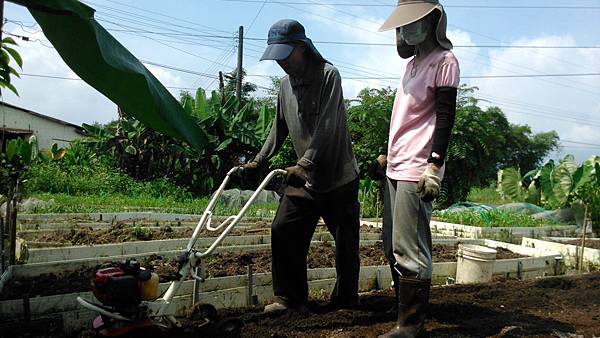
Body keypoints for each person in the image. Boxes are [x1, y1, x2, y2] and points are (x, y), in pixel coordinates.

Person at [241, 19, 361, 313]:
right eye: (277, 56)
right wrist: (259, 160)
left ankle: (345, 300)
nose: (281, 62)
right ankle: (289, 298)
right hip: (305, 181)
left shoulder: (328, 75)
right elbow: (278, 127)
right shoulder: (284, 85)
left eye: (285, 54)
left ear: (302, 48)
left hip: (338, 178)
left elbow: (328, 124)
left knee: (346, 243)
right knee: (283, 229)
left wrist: (305, 163)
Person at [374, 1, 460, 337]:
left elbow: (444, 118)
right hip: (396, 163)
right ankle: (404, 310)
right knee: (391, 244)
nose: (405, 30)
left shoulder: (445, 62)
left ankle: (411, 326)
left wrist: (434, 166)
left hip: (417, 167)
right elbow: (405, 118)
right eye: (401, 25)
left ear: (432, 22)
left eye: (411, 23)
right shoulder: (411, 65)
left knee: (411, 249)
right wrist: (387, 153)